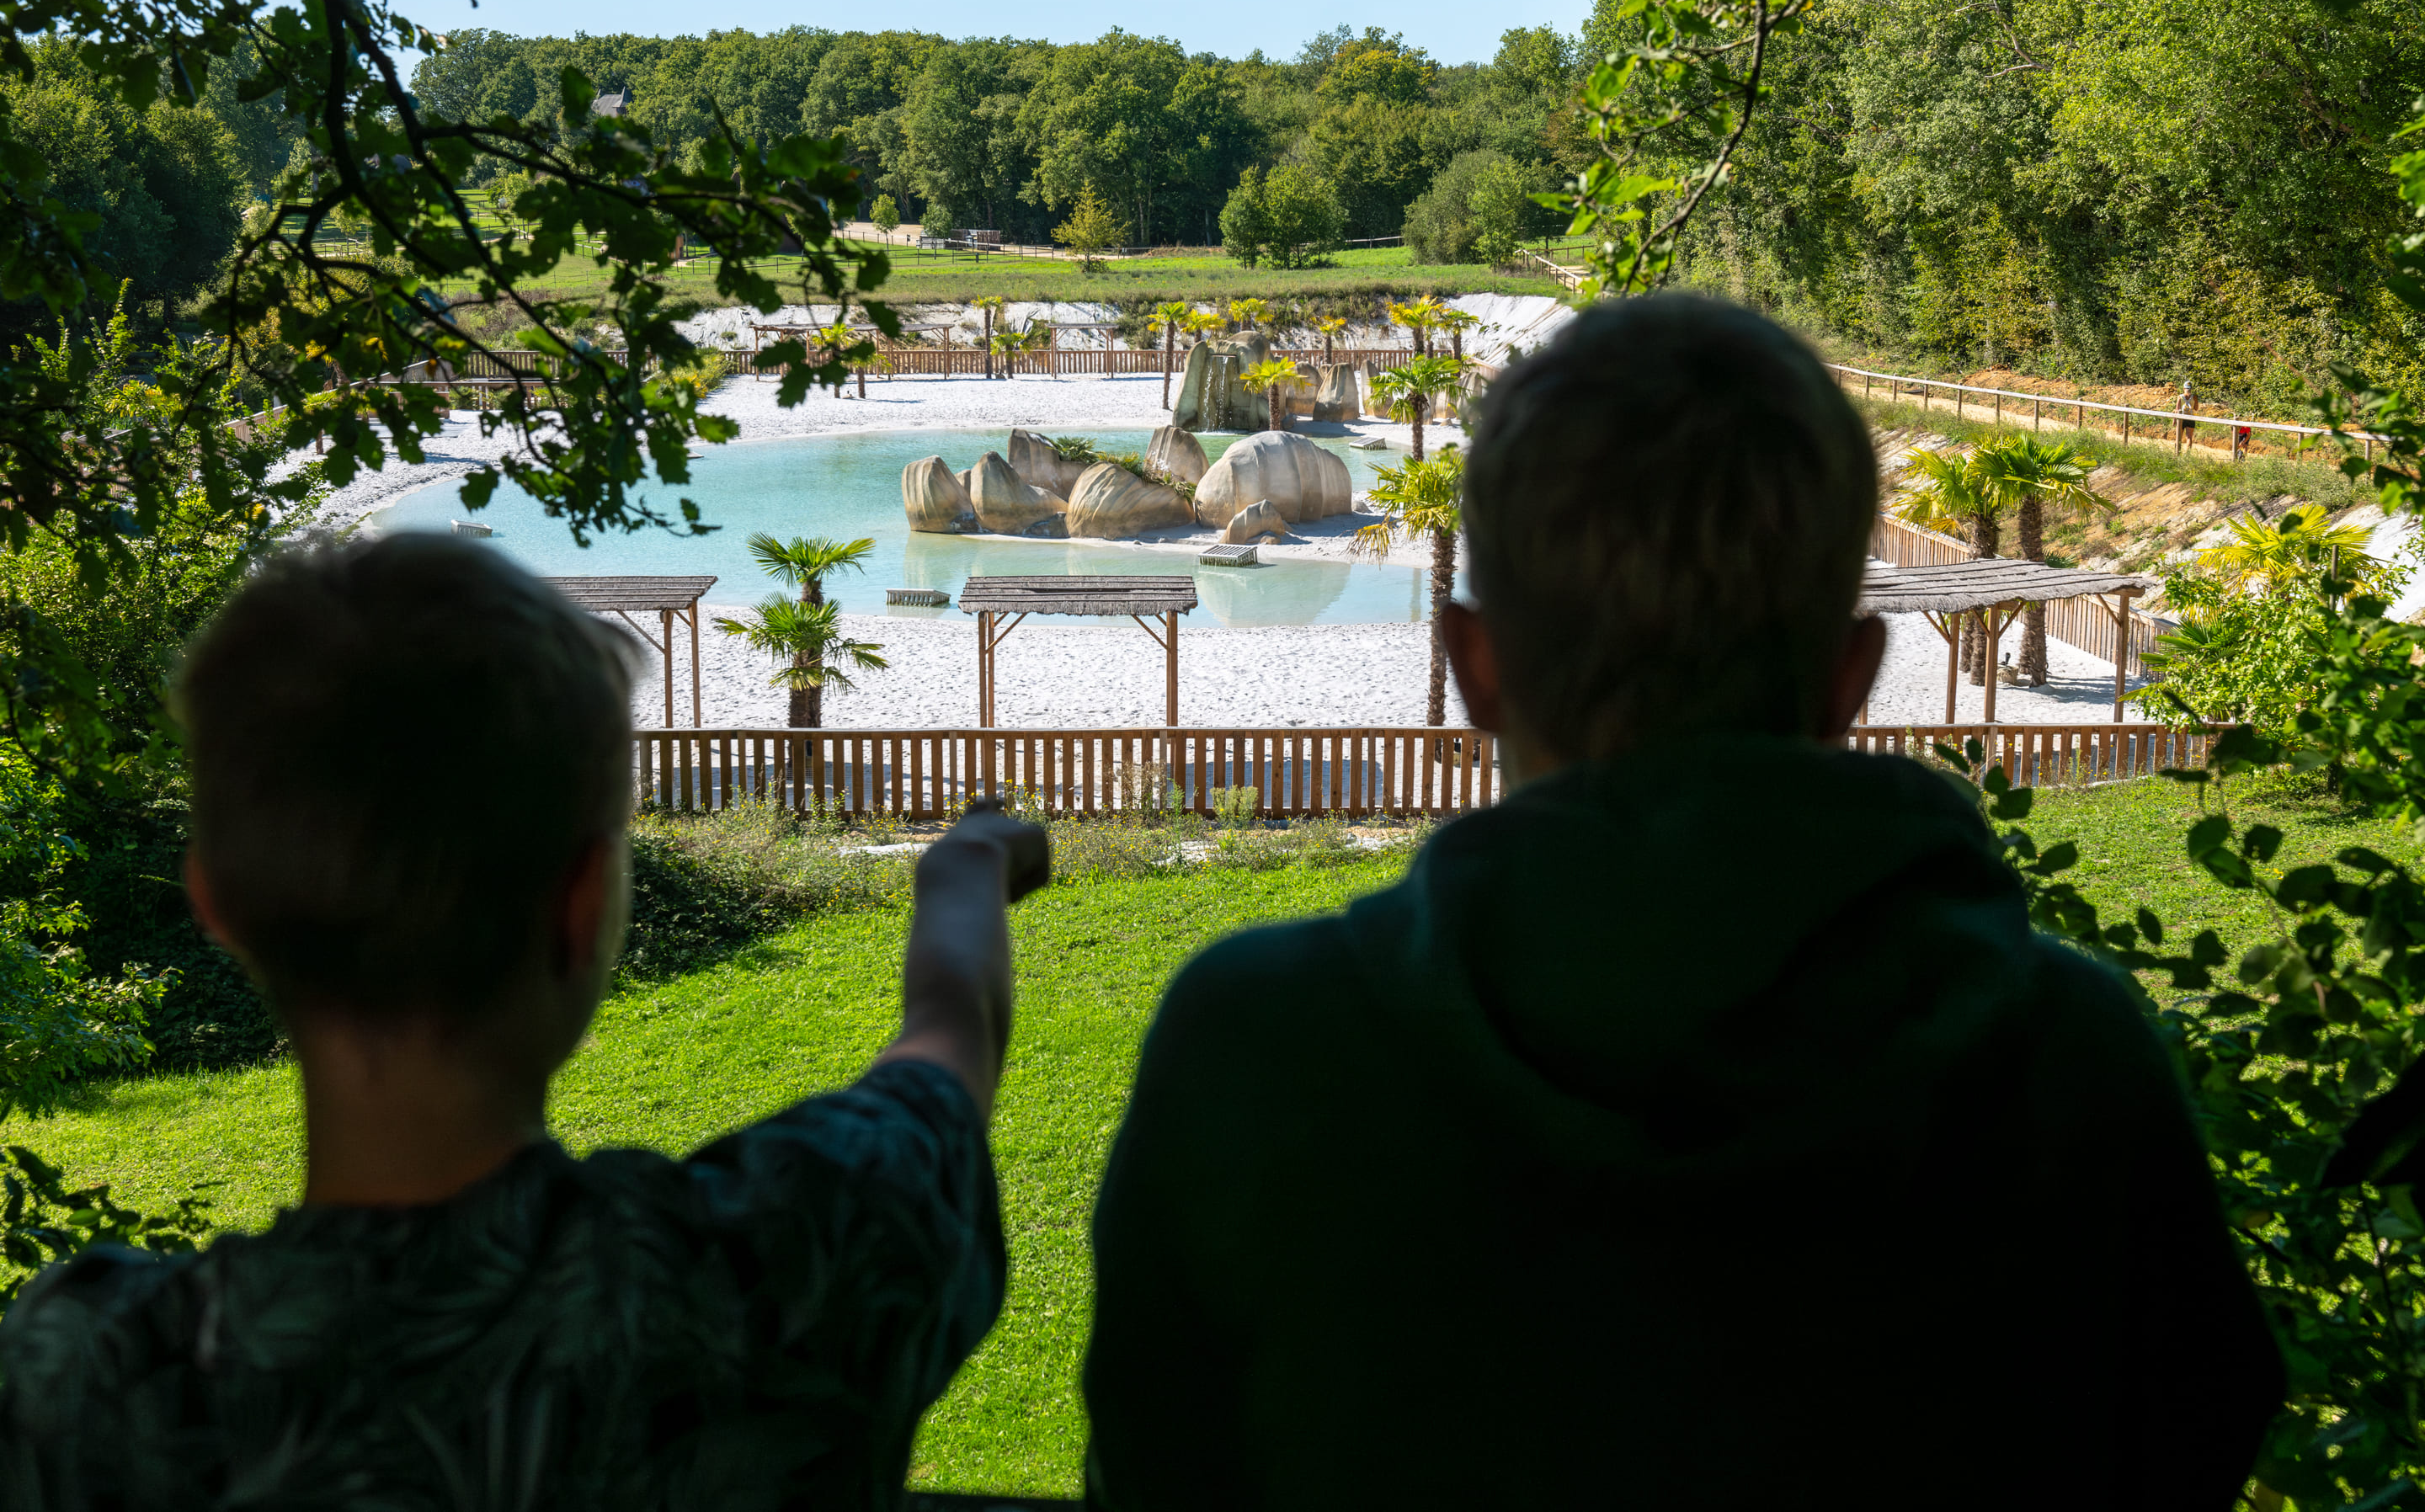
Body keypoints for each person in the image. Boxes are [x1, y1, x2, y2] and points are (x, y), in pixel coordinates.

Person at [1082, 295, 2282, 1512]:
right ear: (1852, 679)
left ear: (1473, 662)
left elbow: (1154, 1461)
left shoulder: (1254, 1044)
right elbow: (2190, 1437)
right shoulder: (2068, 1058)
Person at [0, 535, 1047, 1509]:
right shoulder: (781, 1264)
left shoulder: (81, 1380)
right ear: (582, 903)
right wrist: (967, 865)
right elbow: (951, 1036)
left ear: (216, 901)